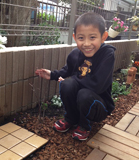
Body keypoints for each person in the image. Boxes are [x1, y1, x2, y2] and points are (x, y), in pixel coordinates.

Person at [35, 12, 116, 141]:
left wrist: (73, 80)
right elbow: (67, 70)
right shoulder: (75, 54)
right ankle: (71, 119)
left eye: (92, 37)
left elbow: (97, 85)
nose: (86, 44)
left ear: (103, 37)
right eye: (81, 38)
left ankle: (85, 126)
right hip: (81, 100)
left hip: (99, 105)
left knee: (84, 93)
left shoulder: (107, 55)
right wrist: (52, 75)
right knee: (67, 84)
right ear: (74, 37)